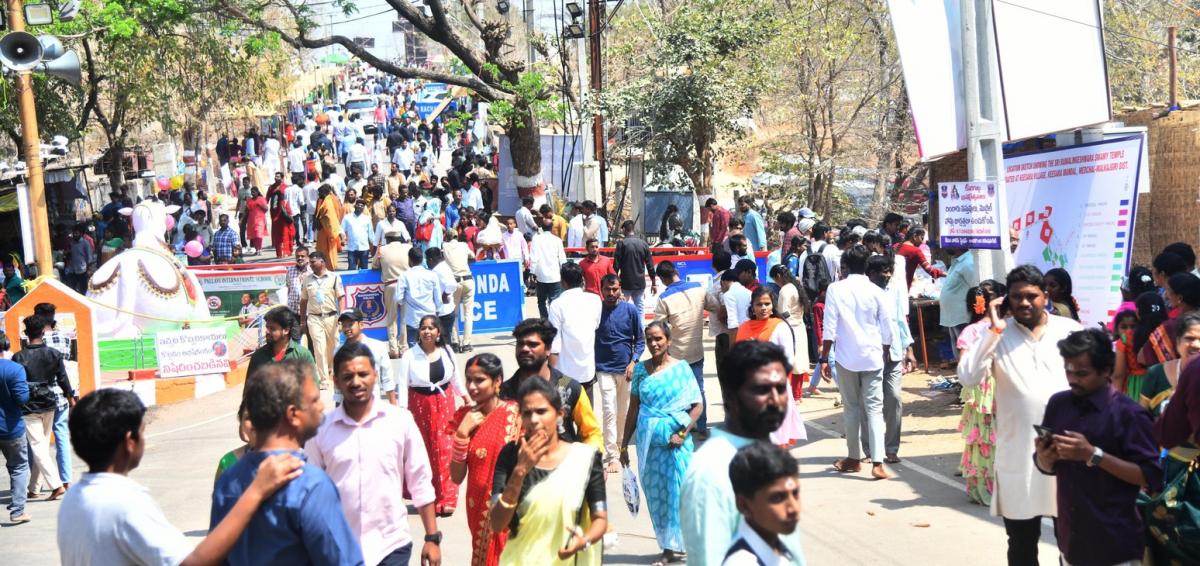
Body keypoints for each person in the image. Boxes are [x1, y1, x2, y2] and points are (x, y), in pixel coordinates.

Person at [59, 388, 304, 566]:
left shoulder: (73, 498)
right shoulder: (123, 503)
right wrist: (256, 492)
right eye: (142, 433)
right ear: (129, 442)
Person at [959, 265, 1083, 565]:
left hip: (1068, 456)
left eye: (1032, 296)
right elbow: (968, 376)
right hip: (1018, 457)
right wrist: (994, 329)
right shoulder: (996, 335)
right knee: (1022, 545)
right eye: (1016, 297)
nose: (1025, 303)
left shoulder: (1070, 331)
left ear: (1046, 295)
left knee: (1075, 542)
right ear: (1006, 301)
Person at [212, 361, 364, 565]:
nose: (321, 407)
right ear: (293, 415)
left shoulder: (229, 480)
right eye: (314, 400)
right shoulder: (310, 484)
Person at [306, 342, 442, 566]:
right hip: (337, 549)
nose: (356, 382)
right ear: (336, 381)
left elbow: (420, 481)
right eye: (348, 376)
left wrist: (432, 537)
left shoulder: (400, 421)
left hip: (391, 545)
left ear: (375, 376)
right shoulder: (320, 430)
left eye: (363, 374)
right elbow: (309, 492)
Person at [1035, 328, 1162, 566]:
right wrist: (1045, 458)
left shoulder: (1130, 415)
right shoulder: (1058, 404)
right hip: (1070, 544)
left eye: (1082, 373)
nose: (1072, 379)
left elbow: (1152, 476)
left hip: (1115, 547)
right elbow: (1046, 466)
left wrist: (1093, 455)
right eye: (1068, 370)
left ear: (1106, 370)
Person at [681, 341, 806, 566]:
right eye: (761, 390)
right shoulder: (712, 471)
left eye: (780, 388)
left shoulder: (768, 453)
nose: (775, 400)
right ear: (730, 396)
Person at [488, 378, 607, 565]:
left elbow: (600, 518)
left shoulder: (585, 458)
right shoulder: (510, 455)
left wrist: (583, 541)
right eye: (527, 413)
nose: (534, 420)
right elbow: (496, 523)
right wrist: (519, 472)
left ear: (559, 414)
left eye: (541, 411)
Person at [619, 321, 703, 565]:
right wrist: (624, 445)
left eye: (658, 339)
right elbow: (633, 410)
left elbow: (697, 406)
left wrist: (682, 433)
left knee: (680, 493)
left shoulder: (681, 369)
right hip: (649, 446)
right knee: (658, 497)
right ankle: (667, 548)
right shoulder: (641, 372)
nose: (654, 344)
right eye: (649, 339)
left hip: (677, 445)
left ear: (669, 340)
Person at [821, 245, 893, 478]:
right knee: (874, 409)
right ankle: (878, 462)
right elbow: (887, 328)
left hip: (845, 357)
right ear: (867, 266)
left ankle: (854, 457)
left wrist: (824, 358)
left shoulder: (836, 289)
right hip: (872, 356)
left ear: (845, 266)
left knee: (851, 408)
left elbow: (829, 327)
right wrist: (884, 351)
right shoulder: (877, 291)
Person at [449, 354, 521, 566]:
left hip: (512, 508)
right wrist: (462, 435)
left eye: (479, 380)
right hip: (478, 508)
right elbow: (456, 476)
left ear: (497, 381)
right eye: (468, 380)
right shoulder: (464, 417)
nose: (472, 386)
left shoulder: (516, 414)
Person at [397, 315, 467, 517]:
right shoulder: (409, 355)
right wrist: (403, 414)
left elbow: (455, 379)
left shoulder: (447, 352)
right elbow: (402, 385)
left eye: (431, 328)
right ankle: (428, 498)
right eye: (423, 328)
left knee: (445, 449)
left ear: (438, 332)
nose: (427, 331)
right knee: (424, 451)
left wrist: (467, 398)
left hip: (445, 404)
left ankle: (447, 498)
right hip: (419, 405)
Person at [501, 318, 603, 450]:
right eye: (520, 344)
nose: (525, 349)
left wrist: (590, 463)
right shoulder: (503, 392)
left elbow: (591, 433)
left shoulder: (569, 387)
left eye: (532, 344)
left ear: (548, 349)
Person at [734, 288, 807, 447]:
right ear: (752, 306)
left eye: (767, 303)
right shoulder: (744, 327)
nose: (763, 308)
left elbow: (787, 358)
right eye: (759, 304)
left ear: (773, 305)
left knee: (775, 439)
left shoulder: (780, 326)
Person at [955, 282, 1006, 506]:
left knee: (982, 439)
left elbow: (963, 364)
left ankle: (984, 487)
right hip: (1000, 385)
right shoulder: (1005, 327)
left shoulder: (970, 331)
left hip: (979, 389)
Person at [862, 255, 915, 463]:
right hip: (870, 355)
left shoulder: (894, 292)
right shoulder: (863, 293)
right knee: (869, 403)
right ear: (871, 274)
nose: (888, 275)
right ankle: (870, 450)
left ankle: (891, 448)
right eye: (884, 271)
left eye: (889, 271)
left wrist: (909, 350)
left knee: (893, 399)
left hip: (893, 354)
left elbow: (900, 321)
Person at [15, 315, 73, 500]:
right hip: (49, 403)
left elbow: (17, 384)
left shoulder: (19, 357)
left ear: (26, 334)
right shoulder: (53, 354)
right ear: (43, 332)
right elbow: (63, 379)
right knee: (41, 448)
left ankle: (56, 486)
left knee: (38, 448)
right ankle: (34, 488)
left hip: (29, 406)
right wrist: (70, 396)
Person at [594, 275, 644, 472]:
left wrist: (634, 362)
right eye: (607, 289)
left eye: (614, 289)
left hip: (626, 370)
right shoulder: (596, 311)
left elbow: (639, 340)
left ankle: (622, 449)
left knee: (623, 413)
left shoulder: (630, 310)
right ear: (602, 289)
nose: (611, 293)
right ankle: (612, 455)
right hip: (603, 368)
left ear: (620, 289)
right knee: (609, 411)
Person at [655, 260, 711, 436]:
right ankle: (702, 428)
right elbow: (715, 306)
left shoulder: (664, 298)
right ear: (676, 271)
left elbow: (659, 327)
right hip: (697, 351)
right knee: (699, 390)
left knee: (678, 393)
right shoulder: (699, 289)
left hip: (676, 355)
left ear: (663, 279)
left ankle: (683, 428)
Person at [722, 443, 802, 566]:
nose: (793, 508)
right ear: (744, 505)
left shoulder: (778, 548)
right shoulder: (743, 562)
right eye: (777, 498)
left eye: (795, 493)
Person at [547, 262, 603, 401]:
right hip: (587, 373)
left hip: (564, 377)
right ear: (582, 280)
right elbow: (596, 326)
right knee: (587, 418)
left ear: (563, 282)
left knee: (563, 418)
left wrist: (549, 378)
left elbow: (554, 346)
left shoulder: (557, 305)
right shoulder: (595, 300)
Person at [299, 251, 345, 390]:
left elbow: (341, 297)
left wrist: (341, 316)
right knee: (319, 348)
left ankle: (332, 369)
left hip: (332, 317)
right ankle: (324, 379)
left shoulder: (334, 277)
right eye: (310, 262)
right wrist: (302, 321)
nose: (310, 264)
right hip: (314, 318)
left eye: (313, 262)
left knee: (333, 347)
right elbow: (303, 301)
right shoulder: (307, 279)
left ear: (322, 262)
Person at [1140, 311, 1200, 417]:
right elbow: (1141, 420)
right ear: (1177, 342)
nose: (1196, 345)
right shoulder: (1156, 373)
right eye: (1189, 338)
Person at [769, 265, 812, 402]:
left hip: (790, 327)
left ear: (778, 276)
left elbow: (783, 312)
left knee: (790, 362)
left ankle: (793, 395)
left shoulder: (785, 290)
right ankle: (797, 394)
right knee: (799, 362)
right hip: (799, 326)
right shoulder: (796, 286)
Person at [335, 309, 397, 404]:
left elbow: (387, 380)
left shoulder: (377, 347)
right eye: (344, 325)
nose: (347, 328)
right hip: (349, 410)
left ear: (361, 325)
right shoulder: (338, 351)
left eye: (350, 324)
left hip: (374, 407)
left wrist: (394, 407)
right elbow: (338, 388)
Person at [0, 331, 30, 524]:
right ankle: (17, 512)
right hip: (11, 428)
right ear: (6, 346)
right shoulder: (14, 369)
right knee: (19, 467)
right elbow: (22, 398)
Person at [245, 307, 315, 385]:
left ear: (286, 330)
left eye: (272, 329)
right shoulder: (258, 357)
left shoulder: (303, 356)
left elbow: (313, 391)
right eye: (267, 327)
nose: (267, 332)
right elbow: (249, 392)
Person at [398, 247, 446, 348]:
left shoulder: (404, 276)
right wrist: (437, 313)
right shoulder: (432, 275)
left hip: (412, 318)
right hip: (429, 316)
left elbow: (398, 298)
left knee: (414, 348)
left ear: (409, 259)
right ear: (422, 259)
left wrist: (406, 301)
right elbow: (438, 298)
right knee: (431, 347)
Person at [374, 232, 413, 356]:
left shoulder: (382, 249)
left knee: (392, 318)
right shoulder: (408, 247)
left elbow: (374, 265)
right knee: (404, 318)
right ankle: (404, 347)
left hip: (390, 285)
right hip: (406, 285)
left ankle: (393, 349)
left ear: (387, 238)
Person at [442, 229, 477, 352]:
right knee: (468, 314)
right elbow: (473, 256)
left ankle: (455, 342)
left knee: (453, 313)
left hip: (454, 281)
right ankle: (466, 343)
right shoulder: (464, 245)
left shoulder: (444, 246)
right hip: (467, 279)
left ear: (447, 237)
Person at [613, 220, 657, 314]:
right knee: (640, 309)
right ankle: (640, 329)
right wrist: (653, 283)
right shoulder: (643, 244)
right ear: (633, 229)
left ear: (624, 229)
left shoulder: (621, 244)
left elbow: (616, 266)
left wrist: (614, 283)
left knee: (621, 308)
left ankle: (623, 328)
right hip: (640, 283)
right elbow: (650, 265)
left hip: (625, 283)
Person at [939, 248, 978, 350]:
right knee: (959, 352)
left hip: (962, 317)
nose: (945, 245)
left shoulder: (968, 262)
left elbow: (976, 289)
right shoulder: (957, 262)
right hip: (952, 317)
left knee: (966, 352)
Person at [529, 217, 566, 318]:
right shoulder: (557, 240)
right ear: (551, 228)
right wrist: (564, 273)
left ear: (542, 227)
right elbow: (562, 259)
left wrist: (532, 272)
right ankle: (554, 322)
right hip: (555, 276)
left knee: (541, 301)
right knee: (554, 302)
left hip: (541, 276)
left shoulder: (536, 239)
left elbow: (533, 257)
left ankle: (544, 322)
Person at [314, 185, 343, 270]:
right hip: (323, 230)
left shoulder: (329, 201)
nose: (319, 194)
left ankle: (330, 267)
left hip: (328, 230)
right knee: (322, 249)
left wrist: (331, 231)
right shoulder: (323, 200)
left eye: (320, 192)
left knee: (329, 251)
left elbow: (330, 216)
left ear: (325, 192)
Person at [285, 247, 310, 339]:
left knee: (312, 340)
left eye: (302, 256)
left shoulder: (312, 271)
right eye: (297, 256)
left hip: (309, 313)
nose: (300, 258)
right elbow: (288, 287)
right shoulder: (290, 270)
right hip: (294, 311)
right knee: (295, 340)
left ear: (308, 257)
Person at [340, 200, 373, 270]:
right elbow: (341, 229)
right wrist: (343, 237)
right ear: (355, 206)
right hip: (352, 248)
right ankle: (351, 281)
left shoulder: (367, 219)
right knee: (351, 269)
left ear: (363, 208)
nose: (359, 207)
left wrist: (374, 246)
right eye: (358, 205)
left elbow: (371, 234)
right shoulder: (347, 217)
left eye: (362, 206)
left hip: (364, 248)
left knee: (364, 269)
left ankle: (363, 281)